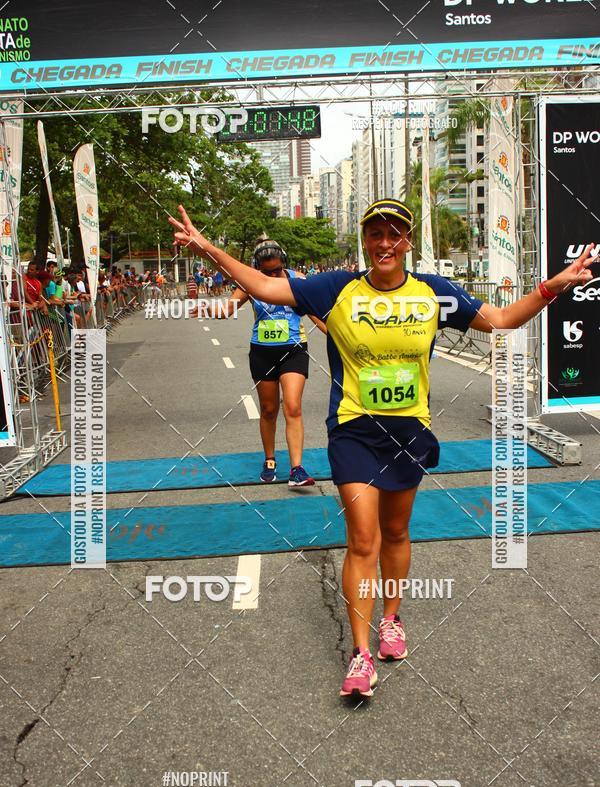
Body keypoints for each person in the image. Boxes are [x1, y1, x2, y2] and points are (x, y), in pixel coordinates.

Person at [169, 199, 597, 699]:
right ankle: (360, 652)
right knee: (362, 538)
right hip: (353, 431)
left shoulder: (434, 293)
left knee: (395, 531)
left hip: (409, 432)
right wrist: (206, 247)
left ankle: (391, 619)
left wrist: (552, 286)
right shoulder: (335, 288)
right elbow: (263, 286)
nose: (386, 242)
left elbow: (501, 319)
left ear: (407, 242)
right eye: (376, 234)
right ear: (366, 241)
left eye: (395, 234)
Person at [192, 237, 326, 487]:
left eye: (277, 270)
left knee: (293, 406)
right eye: (267, 272)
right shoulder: (251, 282)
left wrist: (338, 335)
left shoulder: (297, 280)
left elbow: (315, 313)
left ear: (284, 262)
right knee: (268, 409)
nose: (272, 276)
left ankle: (297, 469)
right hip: (263, 352)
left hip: (294, 350)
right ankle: (270, 460)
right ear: (258, 268)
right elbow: (227, 309)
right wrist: (208, 309)